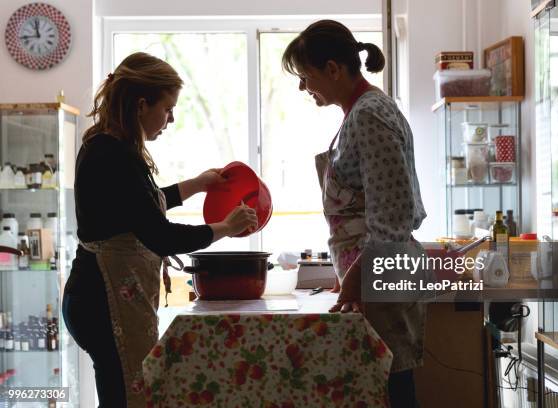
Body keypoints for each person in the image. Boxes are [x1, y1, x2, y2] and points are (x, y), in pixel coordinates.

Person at [62, 52, 258, 408]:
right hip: (101, 298)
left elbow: (136, 208)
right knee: (124, 397)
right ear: (141, 105)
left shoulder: (106, 144)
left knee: (120, 393)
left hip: (91, 296)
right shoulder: (114, 154)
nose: (171, 119)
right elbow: (160, 235)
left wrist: (196, 185)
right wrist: (225, 227)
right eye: (168, 108)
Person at [282, 20, 427, 407]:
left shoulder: (369, 115)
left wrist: (354, 279)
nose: (303, 87)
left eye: (306, 76)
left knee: (389, 390)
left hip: (380, 278)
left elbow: (390, 220)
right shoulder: (360, 112)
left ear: (333, 69)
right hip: (370, 279)